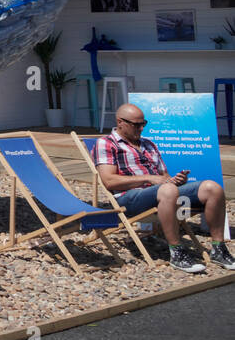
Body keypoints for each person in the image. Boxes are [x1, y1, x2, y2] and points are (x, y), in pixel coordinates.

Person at [94, 103, 234, 273]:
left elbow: (165, 178)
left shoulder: (148, 144)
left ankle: (218, 249)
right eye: (136, 125)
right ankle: (177, 253)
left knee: (212, 188)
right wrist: (149, 178)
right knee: (167, 190)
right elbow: (109, 181)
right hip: (128, 198)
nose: (141, 128)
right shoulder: (107, 143)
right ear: (120, 122)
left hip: (161, 193)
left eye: (143, 123)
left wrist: (176, 180)